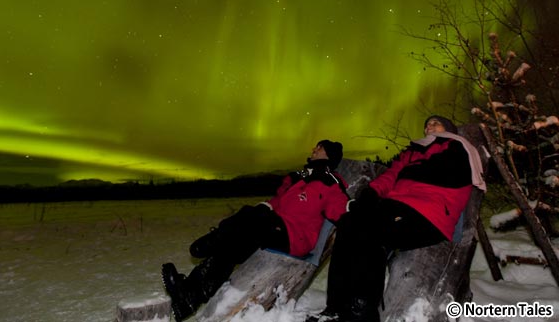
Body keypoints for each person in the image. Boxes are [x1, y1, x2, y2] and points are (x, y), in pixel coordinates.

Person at [306, 116, 485, 322]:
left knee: (372, 230)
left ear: (449, 129)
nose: (428, 126)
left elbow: (448, 173)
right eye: (426, 124)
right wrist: (372, 192)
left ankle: (362, 311)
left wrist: (410, 171)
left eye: (435, 123)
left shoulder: (457, 146)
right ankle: (335, 307)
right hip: (396, 206)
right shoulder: (413, 151)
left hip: (429, 214)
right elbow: (391, 175)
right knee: (349, 223)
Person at [161, 140, 349, 322]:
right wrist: (267, 205)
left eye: (319, 147)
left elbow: (339, 210)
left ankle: (211, 242)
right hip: (275, 225)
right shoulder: (303, 175)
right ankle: (188, 298)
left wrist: (354, 208)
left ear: (328, 154)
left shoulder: (331, 182)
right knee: (235, 244)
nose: (313, 149)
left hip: (295, 236)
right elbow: (280, 198)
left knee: (251, 218)